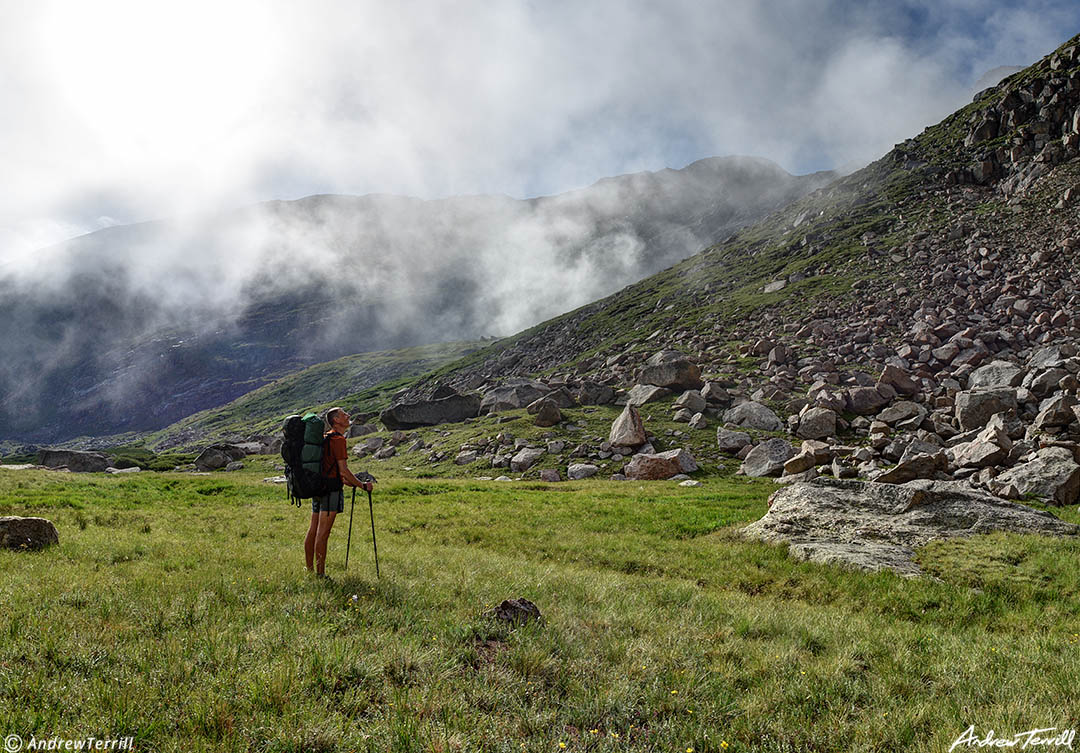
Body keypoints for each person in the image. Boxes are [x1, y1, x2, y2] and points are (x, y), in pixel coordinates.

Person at [304, 407, 373, 577]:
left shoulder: (326, 437)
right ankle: (320, 575)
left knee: (313, 529)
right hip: (331, 491)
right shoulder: (339, 440)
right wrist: (361, 485)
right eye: (343, 414)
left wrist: (348, 482)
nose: (348, 416)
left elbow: (331, 467)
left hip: (318, 488)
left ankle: (310, 569)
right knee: (323, 533)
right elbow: (343, 470)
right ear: (336, 420)